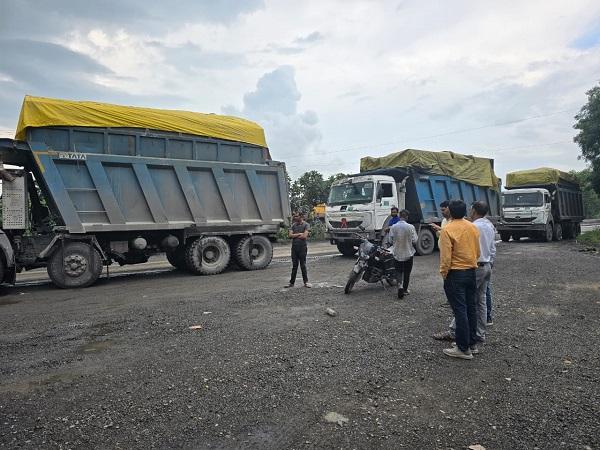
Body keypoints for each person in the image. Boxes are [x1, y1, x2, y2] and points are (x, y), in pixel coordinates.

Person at [438, 200, 480, 359]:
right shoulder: (472, 227)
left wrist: (444, 272)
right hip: (471, 271)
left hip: (455, 273)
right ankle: (471, 343)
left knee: (460, 310)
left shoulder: (447, 230)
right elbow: (477, 251)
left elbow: (446, 256)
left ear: (450, 211)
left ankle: (463, 349)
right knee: (471, 308)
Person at [469, 201, 496, 344]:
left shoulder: (473, 226)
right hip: (487, 265)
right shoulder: (490, 225)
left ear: (474, 211)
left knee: (468, 300)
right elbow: (493, 248)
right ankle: (481, 333)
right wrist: (491, 263)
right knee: (482, 300)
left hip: (476, 267)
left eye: (470, 209)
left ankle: (455, 330)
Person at [388, 209, 417, 299]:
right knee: (407, 272)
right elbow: (415, 240)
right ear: (407, 217)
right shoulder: (411, 227)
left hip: (397, 253)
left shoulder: (393, 227)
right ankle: (405, 290)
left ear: (400, 216)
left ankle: (399, 285)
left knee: (398, 271)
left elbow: (390, 240)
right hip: (408, 253)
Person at [285, 212, 311, 288]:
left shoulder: (306, 225)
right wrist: (299, 234)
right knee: (294, 266)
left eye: (296, 216)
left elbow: (304, 236)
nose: (295, 217)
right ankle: (291, 283)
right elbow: (290, 235)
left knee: (303, 265)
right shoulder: (293, 225)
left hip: (302, 248)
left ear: (301, 217)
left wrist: (295, 235)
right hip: (294, 248)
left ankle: (306, 282)